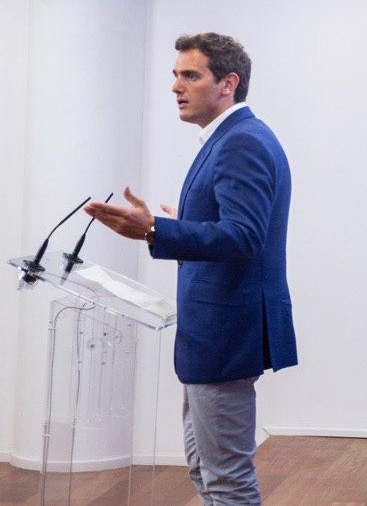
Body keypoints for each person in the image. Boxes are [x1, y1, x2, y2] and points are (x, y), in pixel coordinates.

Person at [85, 32, 296, 505]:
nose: (176, 86)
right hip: (213, 331)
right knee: (207, 472)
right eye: (175, 75)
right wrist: (182, 226)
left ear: (228, 83)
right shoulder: (229, 138)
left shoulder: (241, 142)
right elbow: (235, 227)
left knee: (226, 480)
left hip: (224, 331)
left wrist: (157, 230)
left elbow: (245, 237)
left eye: (190, 75)